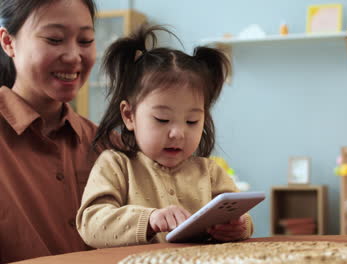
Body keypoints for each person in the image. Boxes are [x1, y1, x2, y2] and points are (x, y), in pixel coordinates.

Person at [76, 24, 253, 248]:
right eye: (161, 119)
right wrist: (149, 220)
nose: (178, 133)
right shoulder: (116, 165)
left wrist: (239, 226)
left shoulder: (210, 173)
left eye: (192, 121)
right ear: (129, 115)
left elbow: (240, 215)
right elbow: (91, 225)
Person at [0, 0, 100, 262]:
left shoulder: (104, 143)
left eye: (86, 40)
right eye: (54, 39)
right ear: (8, 42)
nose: (73, 56)